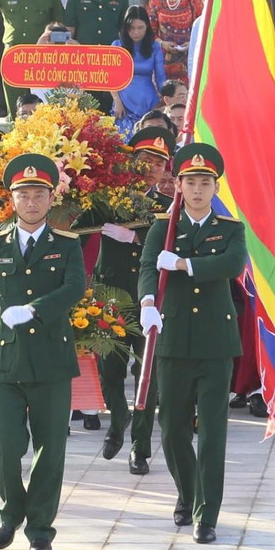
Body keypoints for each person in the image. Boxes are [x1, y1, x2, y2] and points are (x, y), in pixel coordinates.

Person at [0, 154, 83, 550]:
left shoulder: (66, 244)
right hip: (6, 362)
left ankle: (41, 528)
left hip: (50, 359)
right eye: (24, 195)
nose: (31, 202)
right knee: (4, 446)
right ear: (12, 200)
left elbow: (74, 287)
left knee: (50, 450)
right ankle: (10, 513)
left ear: (51, 199)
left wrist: (34, 309)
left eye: (39, 195)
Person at [138, 144, 249, 544]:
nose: (198, 190)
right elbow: (148, 268)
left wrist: (185, 264)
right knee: (170, 431)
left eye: (206, 183)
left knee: (214, 432)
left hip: (215, 344)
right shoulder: (161, 228)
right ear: (178, 186)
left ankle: (207, 514)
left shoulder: (230, 228)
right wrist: (148, 303)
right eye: (191, 183)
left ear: (215, 188)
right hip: (172, 341)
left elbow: (232, 265)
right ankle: (187, 491)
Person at [96, 129, 175, 472]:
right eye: (144, 160)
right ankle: (117, 418)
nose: (150, 168)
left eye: (158, 163)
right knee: (107, 367)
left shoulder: (166, 206)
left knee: (148, 375)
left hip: (149, 298)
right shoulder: (107, 197)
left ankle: (140, 448)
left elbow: (172, 245)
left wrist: (135, 237)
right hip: (110, 294)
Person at [112, 7, 166, 135]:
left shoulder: (155, 47)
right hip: (123, 103)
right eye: (132, 28)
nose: (136, 32)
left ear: (147, 26)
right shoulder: (117, 45)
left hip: (149, 103)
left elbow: (160, 77)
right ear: (126, 27)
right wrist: (117, 101)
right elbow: (111, 78)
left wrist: (165, 99)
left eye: (140, 27)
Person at [147, 0, 204, 84]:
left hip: (189, 56)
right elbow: (150, 32)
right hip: (164, 59)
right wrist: (162, 43)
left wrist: (192, 43)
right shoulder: (156, 4)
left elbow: (203, 26)